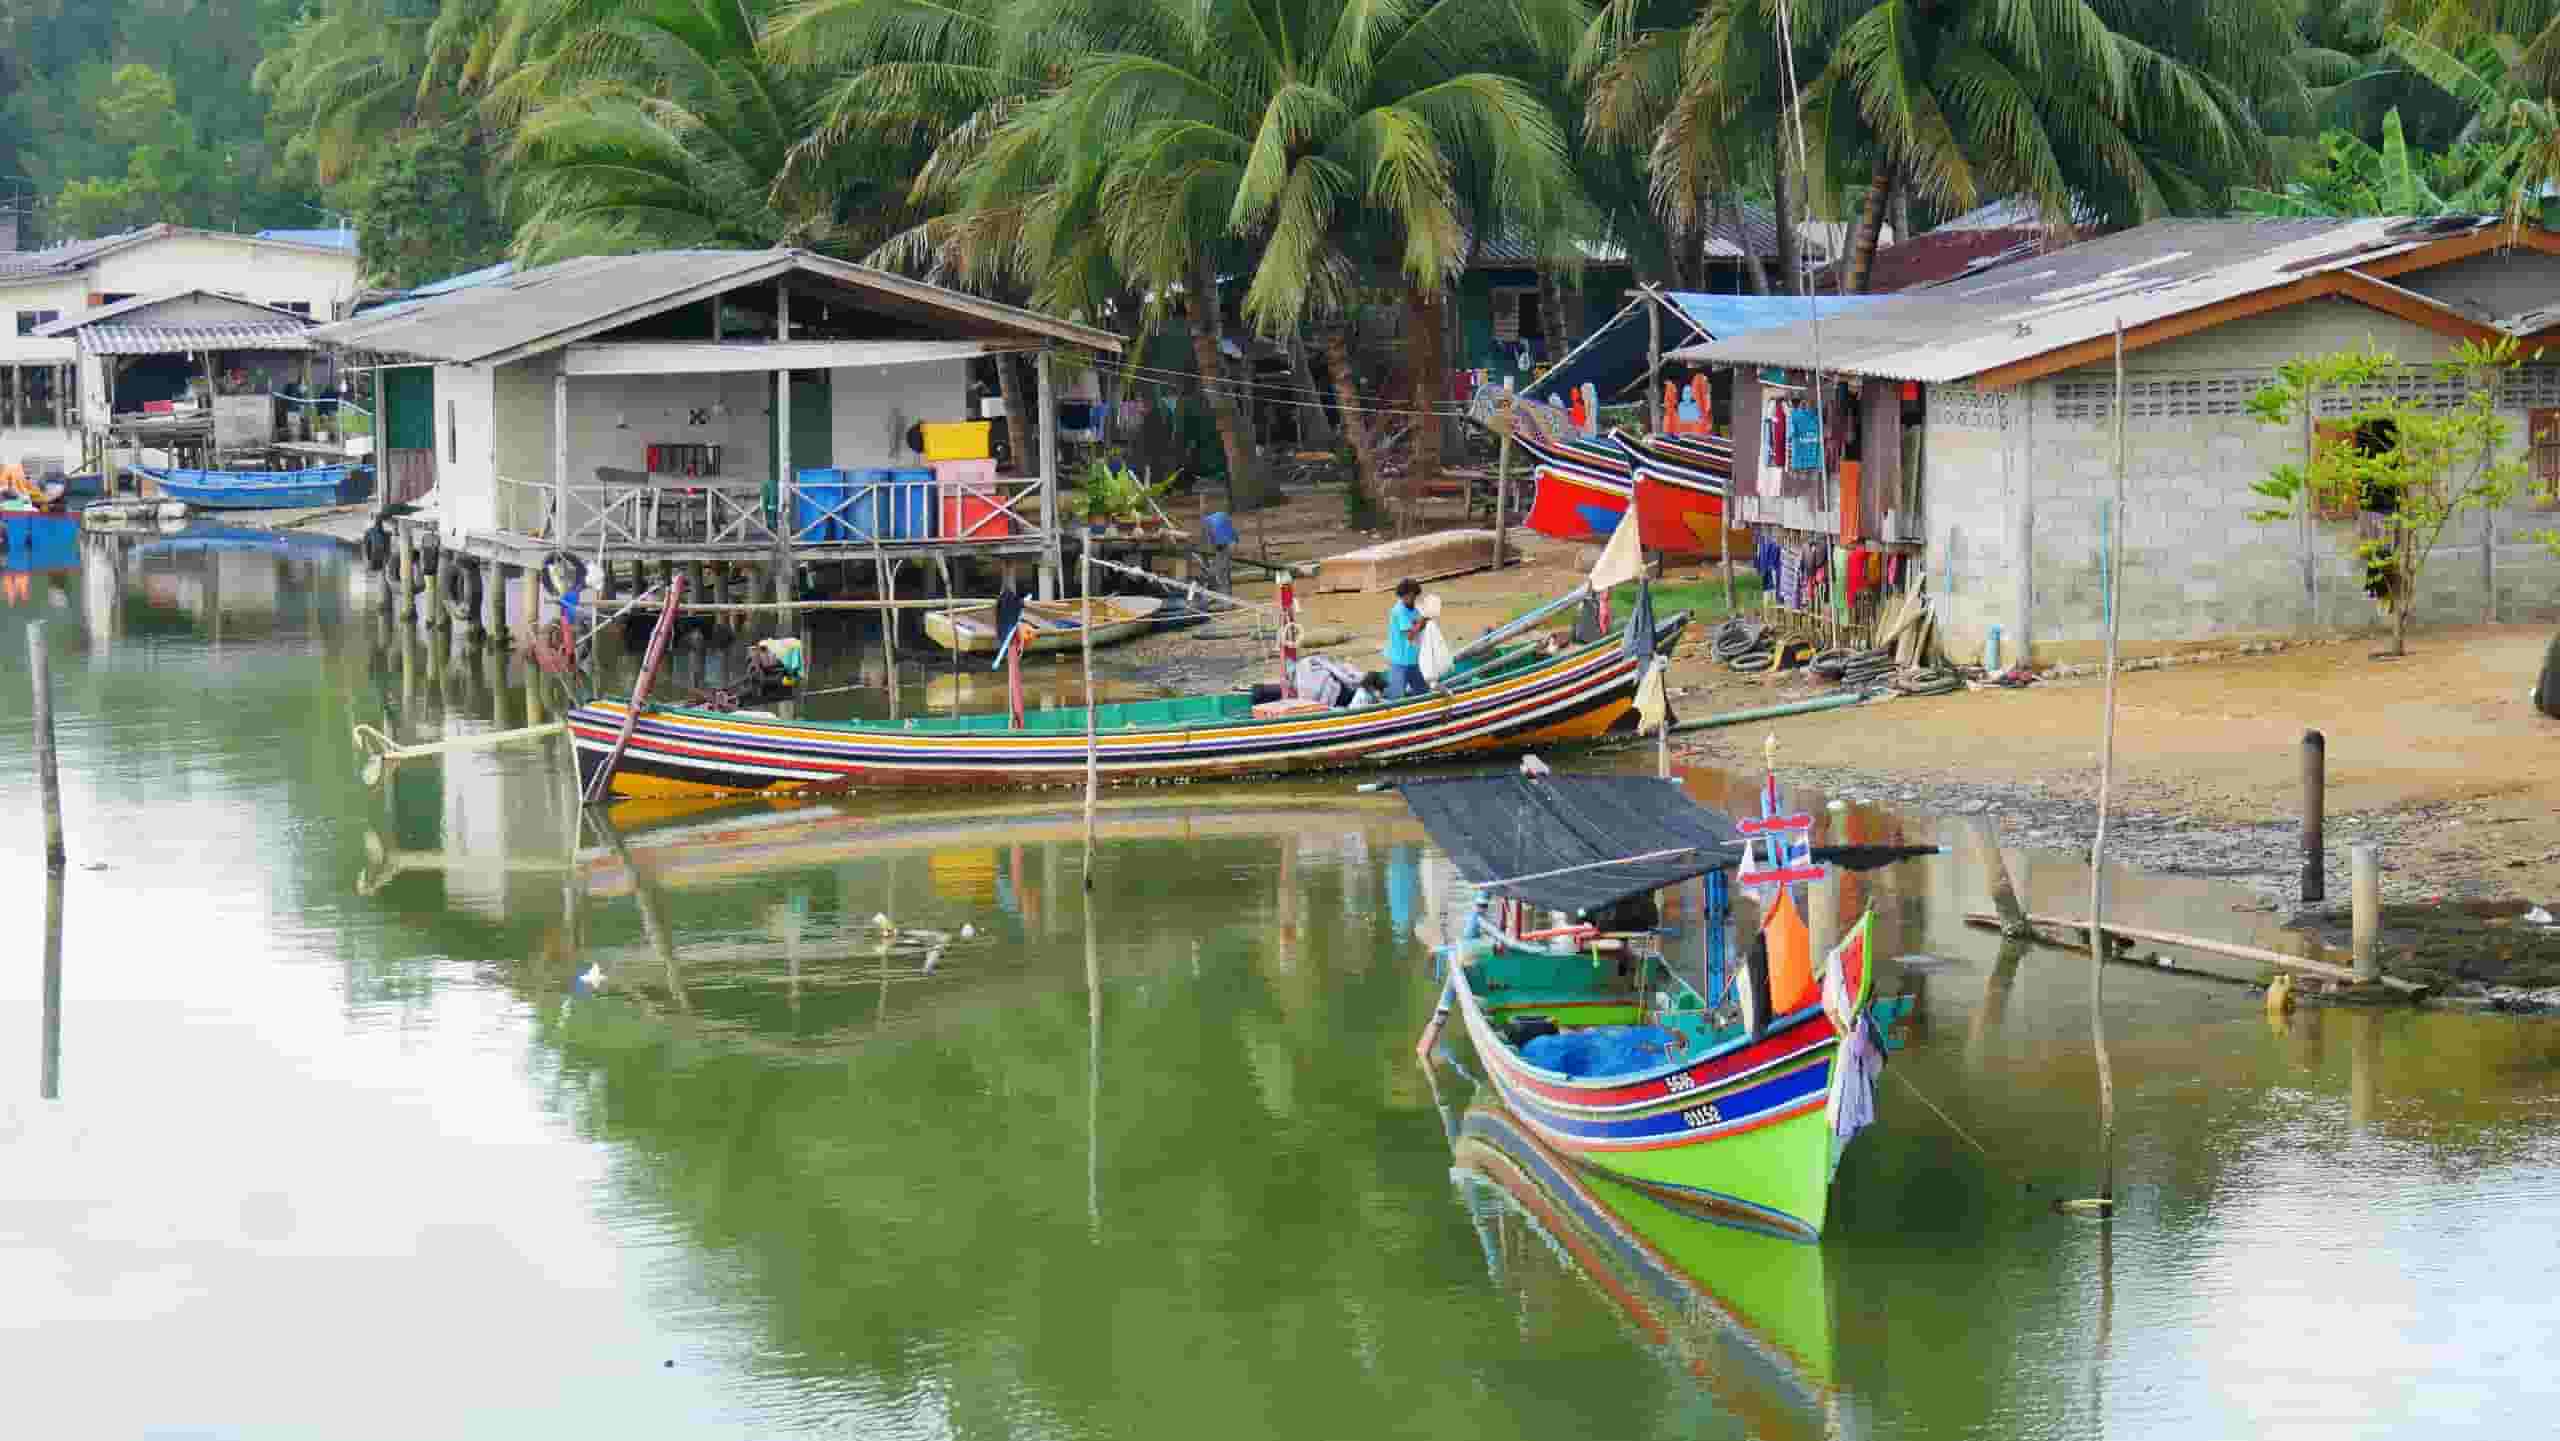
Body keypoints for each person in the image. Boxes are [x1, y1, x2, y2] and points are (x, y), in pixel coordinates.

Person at [1383, 578, 1429, 699]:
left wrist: (1424, 620)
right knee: (1396, 697)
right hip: (1399, 660)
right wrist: (1423, 621)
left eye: (1410, 596)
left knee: (1423, 693)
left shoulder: (1416, 609)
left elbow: (1421, 627)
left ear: (1414, 595)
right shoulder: (1399, 611)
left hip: (1414, 659)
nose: (1407, 598)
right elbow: (1409, 635)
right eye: (1404, 596)